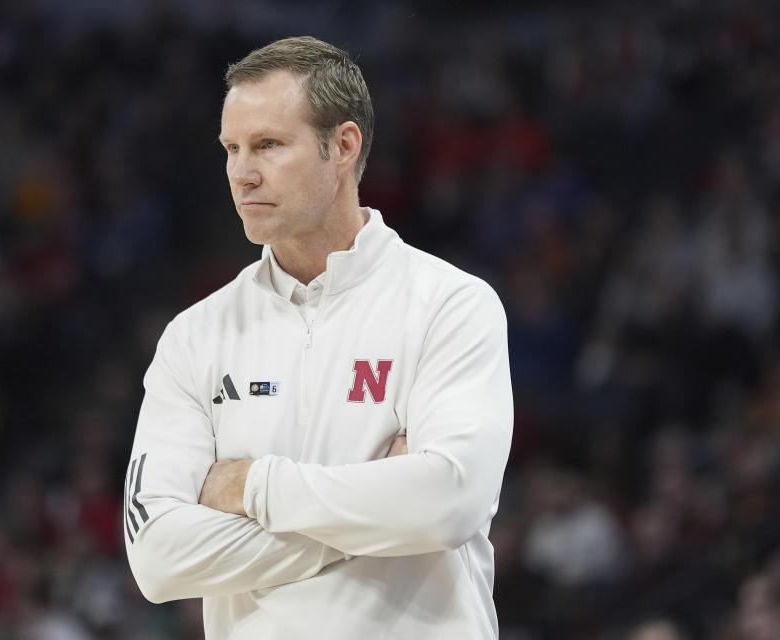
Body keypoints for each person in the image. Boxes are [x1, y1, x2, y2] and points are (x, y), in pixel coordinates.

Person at [124, 35, 513, 639]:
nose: (241, 173)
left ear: (344, 145)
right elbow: (156, 558)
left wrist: (253, 485)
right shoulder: (194, 337)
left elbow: (449, 503)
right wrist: (376, 521)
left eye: (268, 145)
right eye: (231, 148)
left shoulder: (451, 305)